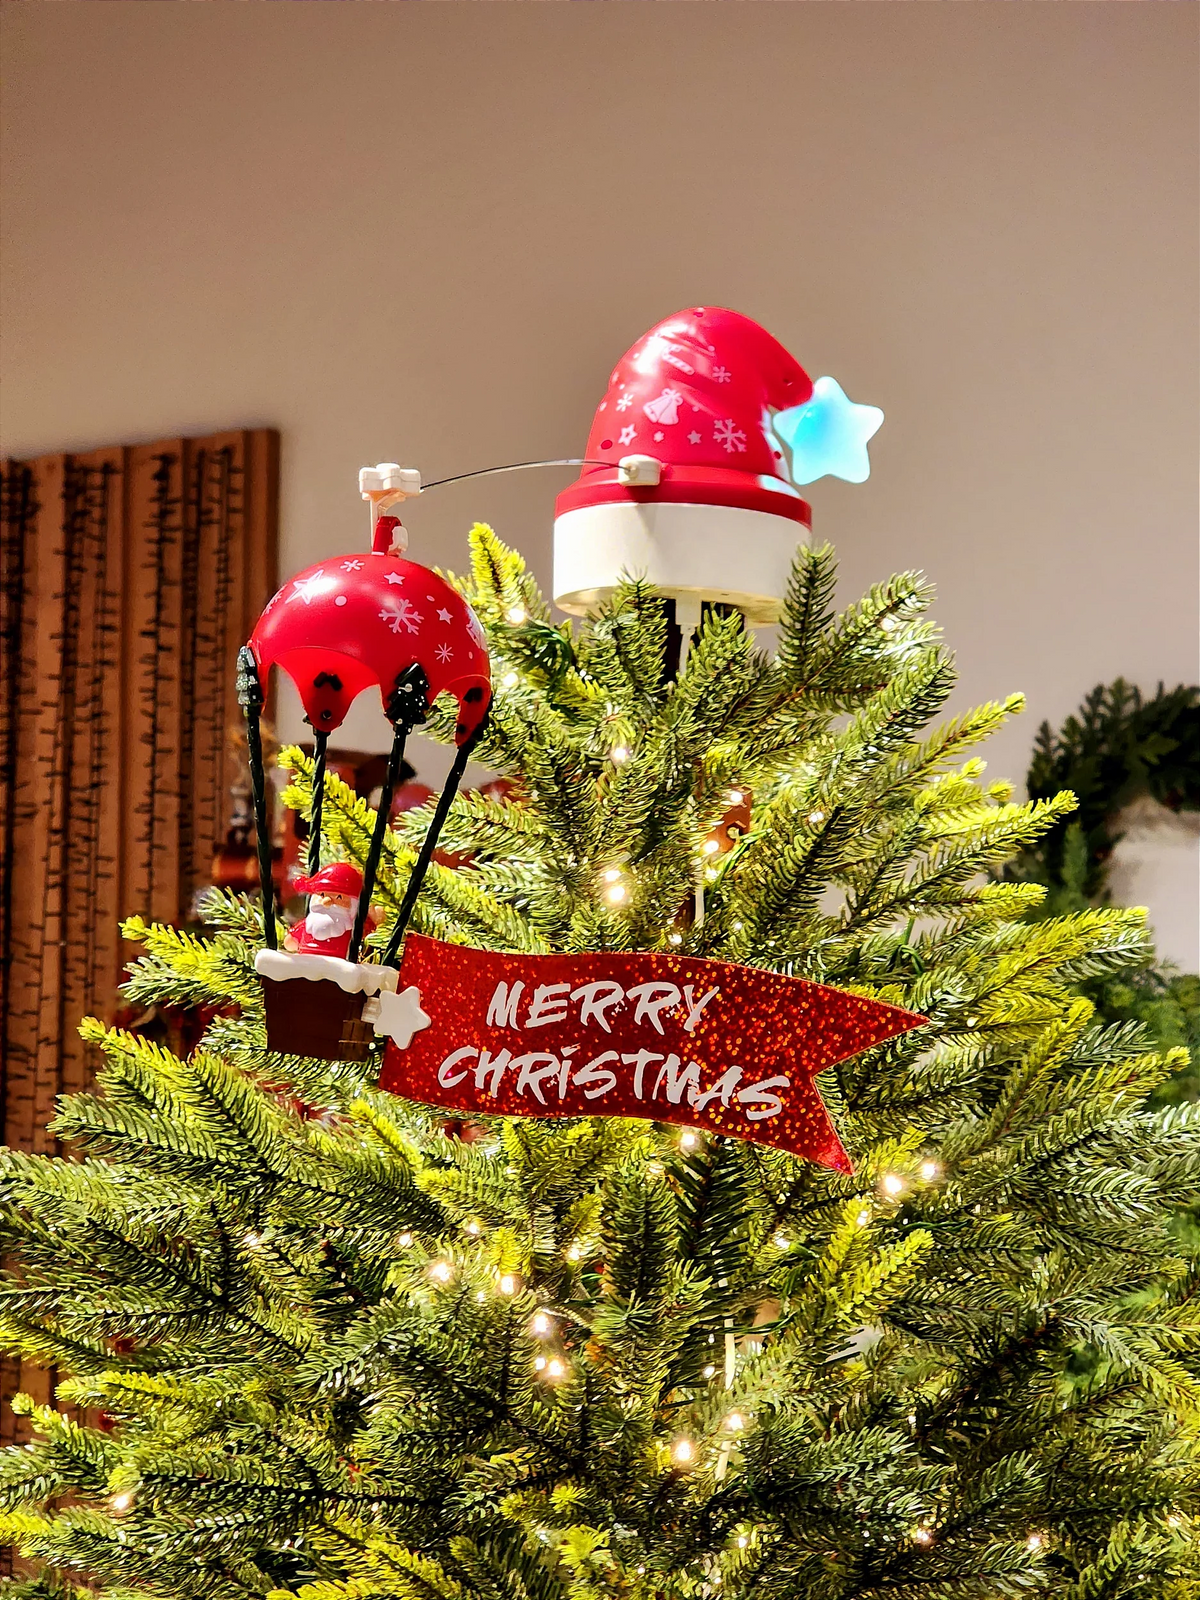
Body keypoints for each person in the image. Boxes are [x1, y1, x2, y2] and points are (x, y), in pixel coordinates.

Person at [284, 862, 365, 961]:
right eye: (322, 895)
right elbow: (291, 941)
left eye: (338, 897)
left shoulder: (350, 927)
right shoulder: (310, 922)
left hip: (338, 962)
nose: (326, 901)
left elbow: (365, 933)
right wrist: (293, 938)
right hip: (306, 960)